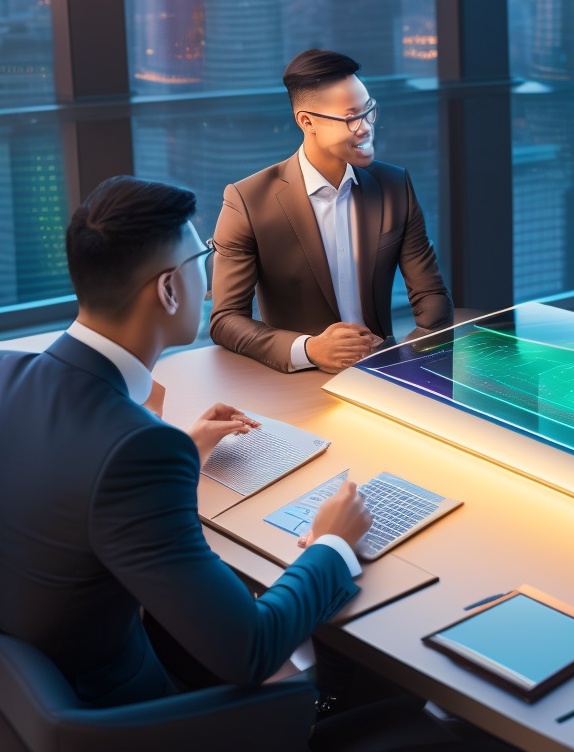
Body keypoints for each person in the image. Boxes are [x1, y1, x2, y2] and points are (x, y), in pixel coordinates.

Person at [0, 176, 370, 708]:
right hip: (129, 714)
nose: (210, 276)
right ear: (169, 289)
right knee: (362, 682)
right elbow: (252, 648)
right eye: (203, 257)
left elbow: (62, 481)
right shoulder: (134, 451)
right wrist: (332, 542)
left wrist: (175, 452)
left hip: (31, 695)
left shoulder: (13, 375)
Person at [210, 49, 453, 374]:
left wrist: (401, 363)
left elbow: (432, 297)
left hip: (384, 372)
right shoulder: (248, 202)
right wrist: (309, 350)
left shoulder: (394, 186)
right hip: (299, 379)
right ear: (307, 122)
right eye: (352, 117)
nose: (366, 127)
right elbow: (226, 320)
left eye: (369, 111)